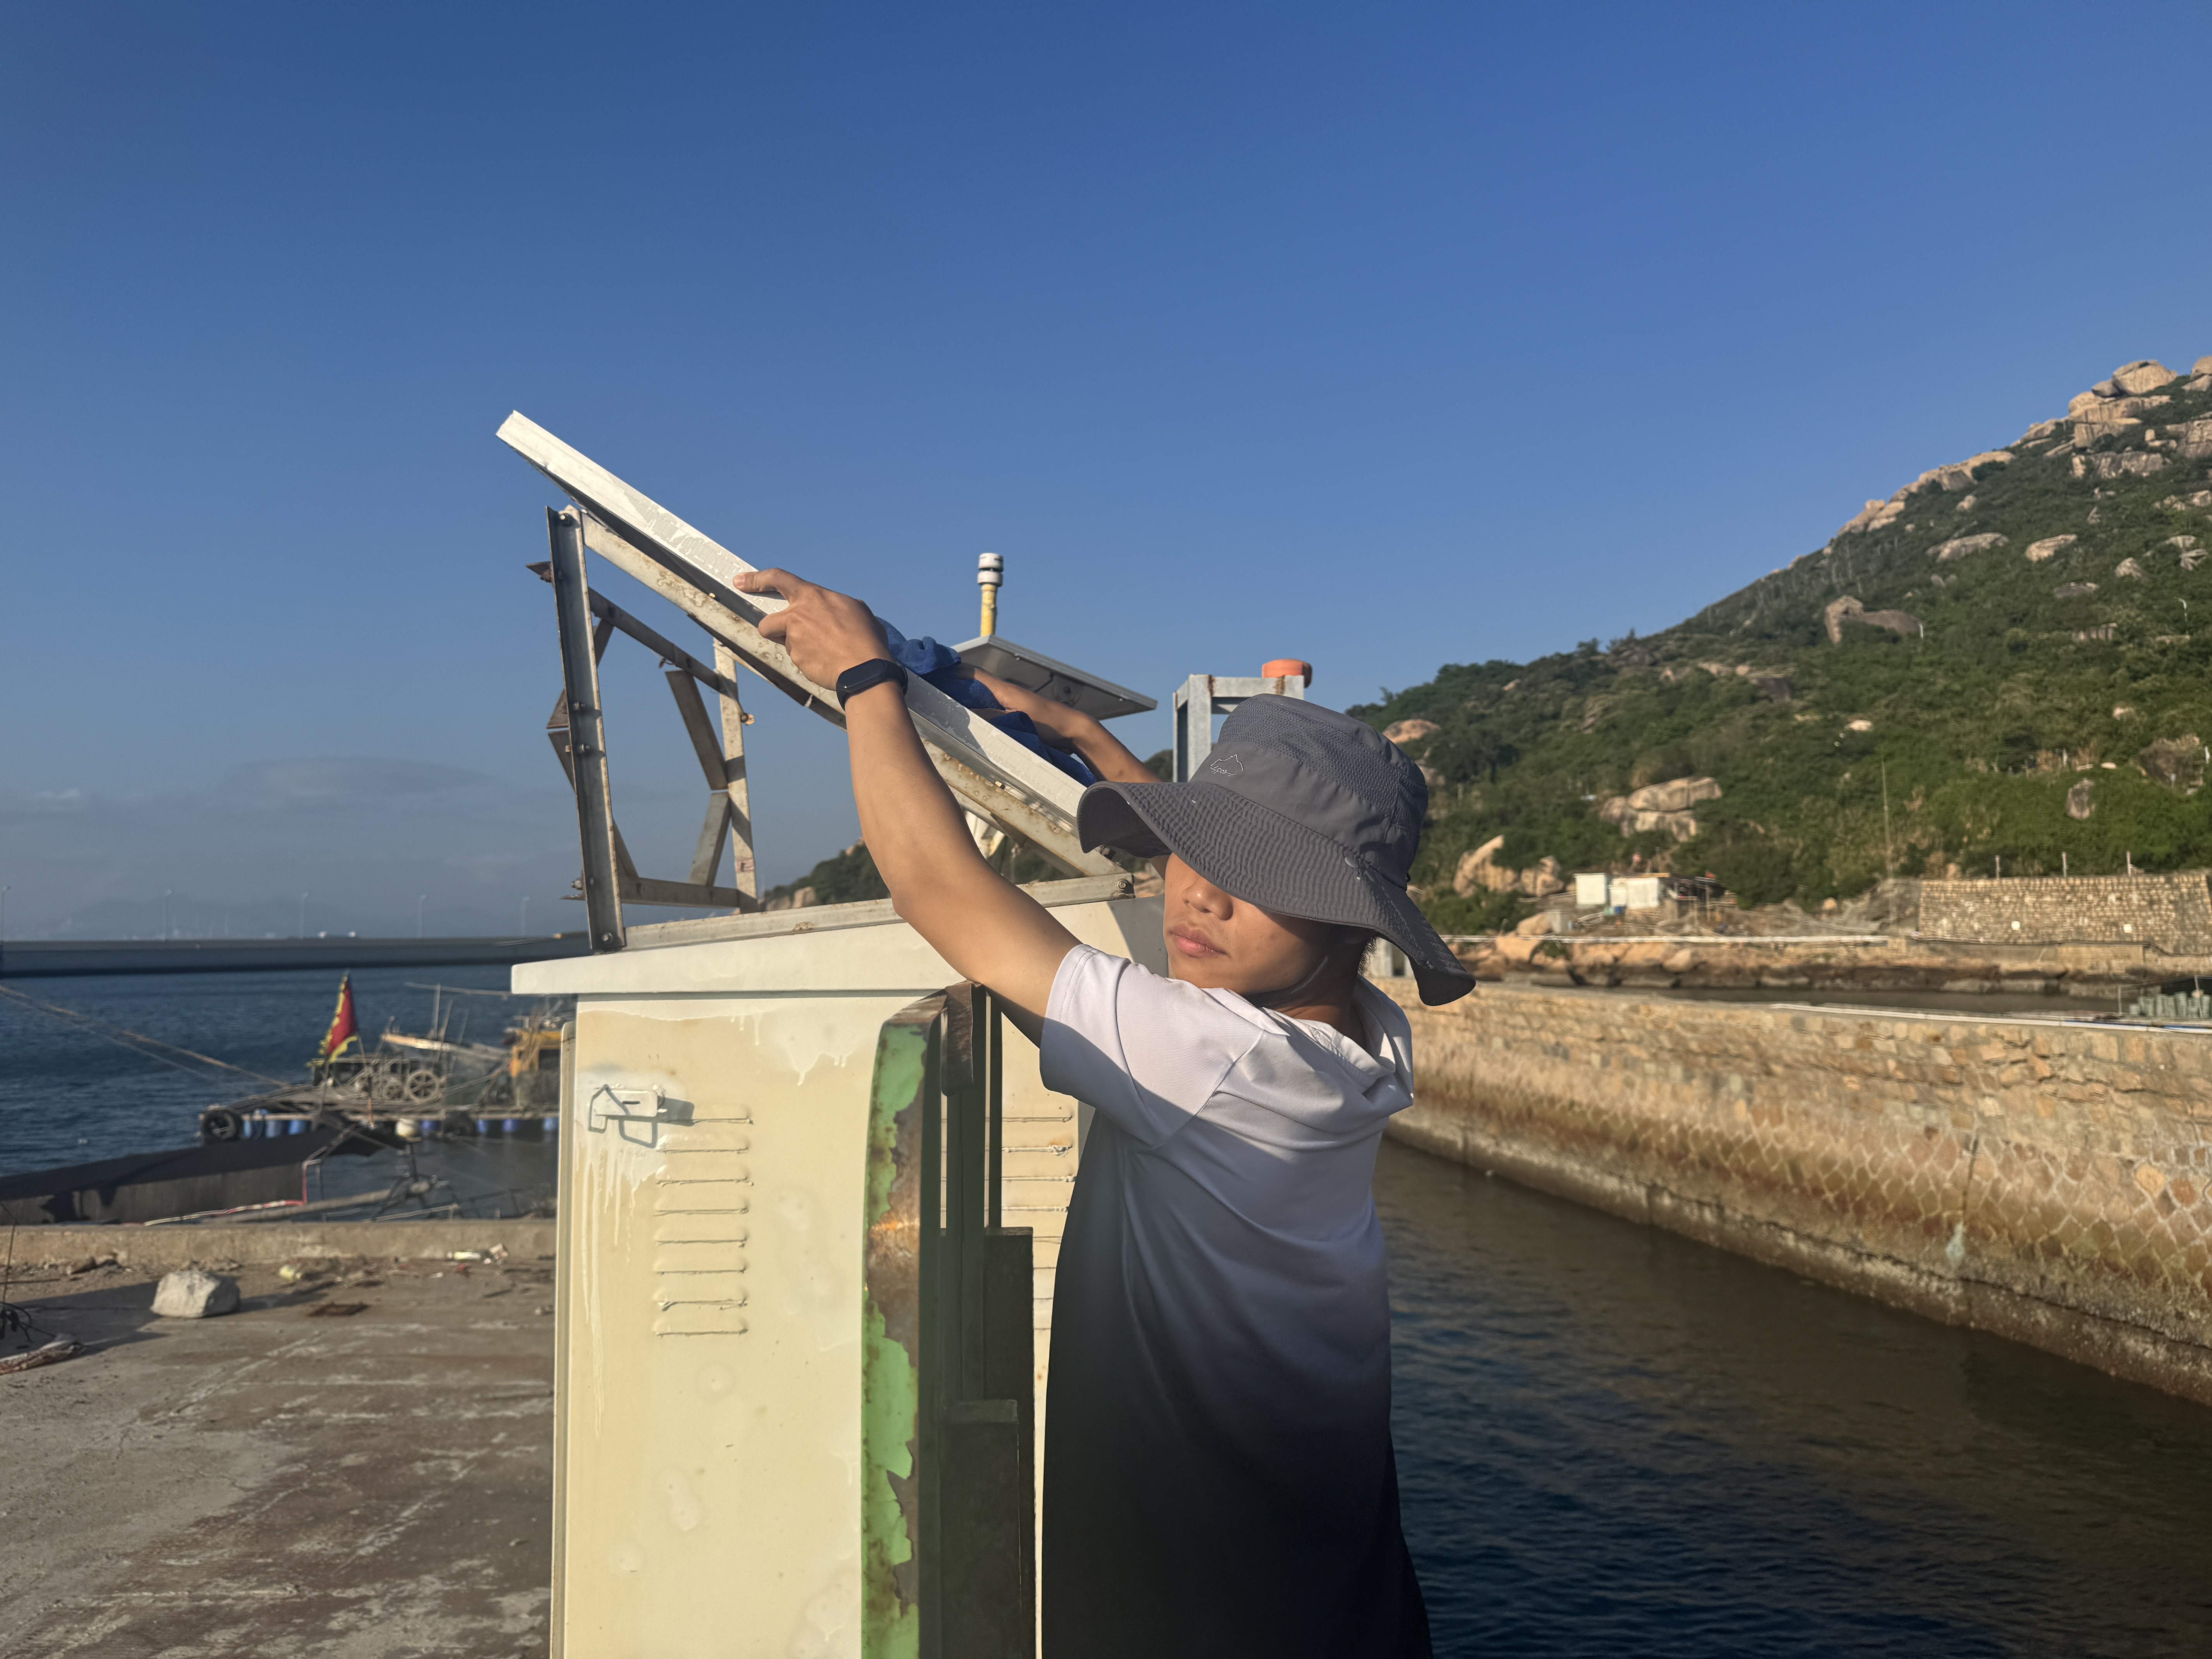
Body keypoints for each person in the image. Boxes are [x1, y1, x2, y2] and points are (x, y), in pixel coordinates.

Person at [740, 567, 1475, 1659]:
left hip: (1208, 1611)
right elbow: (1230, 896)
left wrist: (864, 679)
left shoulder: (1212, 1057)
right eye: (1196, 850)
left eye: (1258, 875)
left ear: (1347, 917)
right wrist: (1087, 738)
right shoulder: (1364, 1037)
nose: (1196, 893)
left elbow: (938, 889)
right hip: (1338, 1587)